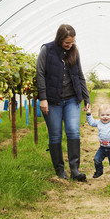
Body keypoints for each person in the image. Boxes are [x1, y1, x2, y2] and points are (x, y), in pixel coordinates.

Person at [36, 24, 90, 182]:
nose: (70, 45)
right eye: (67, 42)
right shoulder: (47, 50)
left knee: (73, 131)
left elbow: (80, 75)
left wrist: (86, 98)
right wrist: (43, 98)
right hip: (53, 101)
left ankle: (75, 169)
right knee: (55, 135)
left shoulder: (74, 51)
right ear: (60, 39)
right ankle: (60, 170)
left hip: (72, 98)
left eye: (72, 42)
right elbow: (40, 74)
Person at [86, 103, 110, 181]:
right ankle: (99, 171)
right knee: (97, 159)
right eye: (102, 115)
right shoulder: (98, 123)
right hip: (102, 148)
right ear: (99, 116)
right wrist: (88, 114)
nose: (105, 117)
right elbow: (91, 122)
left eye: (108, 115)